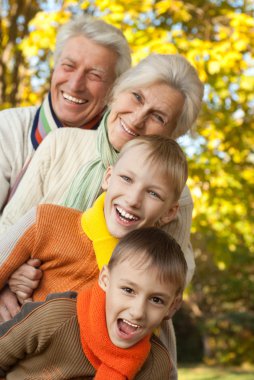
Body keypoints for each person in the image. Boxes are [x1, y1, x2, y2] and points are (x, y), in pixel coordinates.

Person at [0, 135, 187, 304]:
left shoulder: (153, 273)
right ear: (108, 177)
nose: (132, 200)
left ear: (169, 213)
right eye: (126, 179)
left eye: (153, 193)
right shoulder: (44, 221)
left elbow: (157, 338)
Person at [0, 227, 187, 379]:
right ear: (105, 279)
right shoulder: (56, 317)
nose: (138, 311)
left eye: (156, 300)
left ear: (172, 307)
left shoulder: (157, 366)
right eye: (128, 290)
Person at [0, 14, 131, 214]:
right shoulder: (7, 128)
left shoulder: (126, 158)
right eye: (68, 67)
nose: (75, 84)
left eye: (95, 75)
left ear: (114, 89)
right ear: (54, 67)